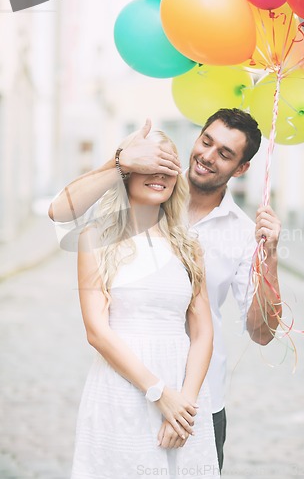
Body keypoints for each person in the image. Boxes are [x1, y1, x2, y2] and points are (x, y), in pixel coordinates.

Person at [49, 108, 282, 471]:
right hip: (127, 388)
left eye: (224, 153)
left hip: (199, 399)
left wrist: (269, 257)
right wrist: (120, 162)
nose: (207, 155)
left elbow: (262, 333)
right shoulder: (119, 216)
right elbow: (60, 211)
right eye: (206, 142)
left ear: (240, 169)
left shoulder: (231, 235)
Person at [67, 130, 220, 479]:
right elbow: (97, 331)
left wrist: (185, 404)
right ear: (128, 172)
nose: (161, 175)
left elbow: (203, 332)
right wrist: (158, 393)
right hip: (123, 388)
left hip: (184, 393)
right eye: (151, 164)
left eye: (169, 167)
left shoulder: (188, 246)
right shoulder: (96, 238)